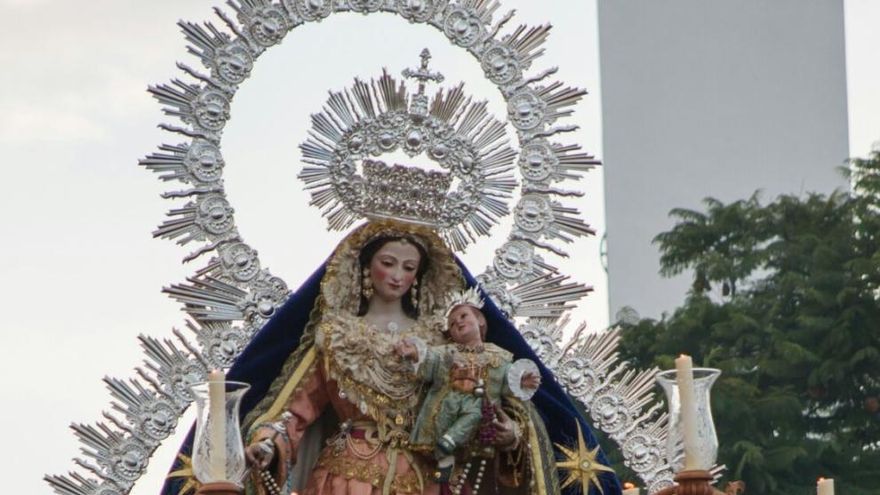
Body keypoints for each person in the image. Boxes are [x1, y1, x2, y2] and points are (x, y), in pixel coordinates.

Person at [161, 219, 622, 495]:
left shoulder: (443, 345)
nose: (397, 275)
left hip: (427, 478)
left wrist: (510, 435)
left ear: (421, 276)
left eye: (409, 267)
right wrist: (268, 441)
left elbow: (479, 405)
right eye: (388, 263)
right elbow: (294, 409)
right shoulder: (336, 337)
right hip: (346, 478)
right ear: (365, 267)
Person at [395, 288, 541, 486]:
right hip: (444, 406)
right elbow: (429, 361)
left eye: (463, 316)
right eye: (452, 324)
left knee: (477, 412)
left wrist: (521, 381)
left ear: (480, 321)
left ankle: (448, 446)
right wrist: (415, 353)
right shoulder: (446, 352)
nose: (458, 323)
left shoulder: (499, 356)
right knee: (444, 423)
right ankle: (442, 453)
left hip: (478, 417)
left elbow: (508, 384)